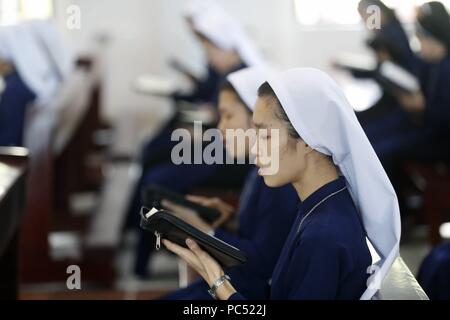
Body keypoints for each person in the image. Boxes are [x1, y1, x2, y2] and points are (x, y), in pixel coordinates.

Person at [163, 68, 401, 300]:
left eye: (265, 136)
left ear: (309, 138)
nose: (256, 149)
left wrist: (218, 282)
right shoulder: (318, 205)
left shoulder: (323, 235)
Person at [157, 67, 299, 300]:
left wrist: (203, 231)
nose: (220, 127)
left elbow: (262, 263)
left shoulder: (278, 181)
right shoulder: (259, 167)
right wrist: (229, 220)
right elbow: (265, 235)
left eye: (228, 115)